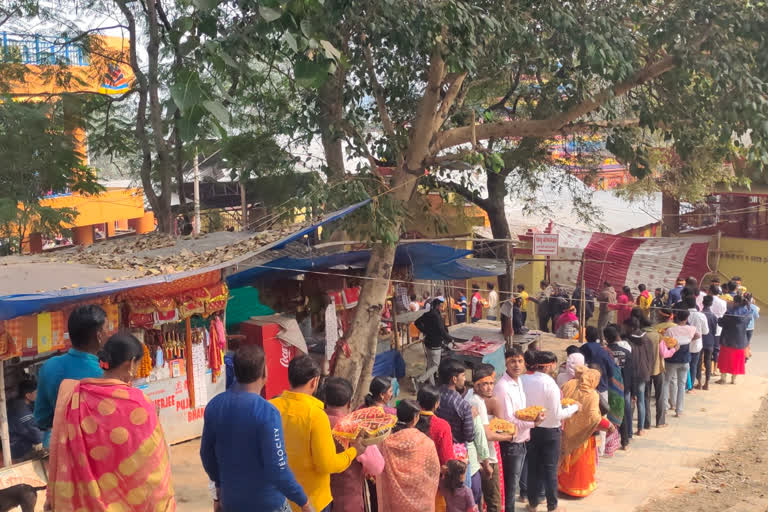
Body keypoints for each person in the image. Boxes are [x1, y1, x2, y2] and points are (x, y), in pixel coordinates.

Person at [48, 334, 175, 511]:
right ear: (130, 363)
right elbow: (151, 464)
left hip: (87, 504)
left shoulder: (75, 395)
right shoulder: (138, 402)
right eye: (138, 365)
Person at [202, 345, 309, 512]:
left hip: (231, 502)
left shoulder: (215, 406)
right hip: (267, 504)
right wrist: (304, 502)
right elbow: (278, 469)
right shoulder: (267, 413)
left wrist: (219, 487)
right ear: (264, 373)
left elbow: (207, 455)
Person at [271, 355, 361, 512]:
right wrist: (354, 452)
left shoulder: (270, 407)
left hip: (278, 497)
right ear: (315, 382)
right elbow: (327, 464)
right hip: (312, 500)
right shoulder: (316, 415)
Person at [34, 305, 107, 448]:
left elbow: (41, 418)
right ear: (99, 336)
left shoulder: (49, 366)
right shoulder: (104, 374)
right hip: (93, 450)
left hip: (57, 447)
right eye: (106, 329)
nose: (107, 334)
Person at [523, 351, 578, 512]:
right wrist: (574, 407)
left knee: (533, 467)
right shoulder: (550, 384)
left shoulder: (524, 380)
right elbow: (558, 414)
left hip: (532, 429)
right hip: (550, 431)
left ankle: (533, 503)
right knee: (550, 469)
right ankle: (552, 505)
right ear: (550, 365)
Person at [494, 347, 544, 512]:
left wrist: (532, 416)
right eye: (512, 361)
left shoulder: (519, 381)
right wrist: (533, 424)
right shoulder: (503, 386)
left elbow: (520, 413)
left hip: (522, 439)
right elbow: (508, 420)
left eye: (520, 361)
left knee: (514, 483)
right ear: (506, 364)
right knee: (510, 486)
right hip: (511, 443)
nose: (516, 365)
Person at [325, 377, 385, 512]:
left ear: (325, 400)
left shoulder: (314, 420)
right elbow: (377, 466)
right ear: (349, 403)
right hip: (346, 501)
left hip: (314, 499)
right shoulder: (354, 429)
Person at [377, 400, 441, 512]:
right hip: (420, 500)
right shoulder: (426, 442)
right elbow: (433, 472)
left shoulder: (386, 442)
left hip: (395, 500)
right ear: (415, 418)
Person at [557, 366, 612, 498]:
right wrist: (609, 425)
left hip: (566, 429)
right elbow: (594, 417)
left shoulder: (568, 385)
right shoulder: (592, 394)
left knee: (566, 457)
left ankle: (562, 486)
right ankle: (578, 489)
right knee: (581, 462)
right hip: (582, 433)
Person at [465, 364, 512, 512]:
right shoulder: (478, 402)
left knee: (479, 500)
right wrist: (510, 437)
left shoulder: (470, 396)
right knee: (493, 501)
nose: (489, 387)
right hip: (485, 458)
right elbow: (486, 435)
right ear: (476, 385)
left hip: (475, 458)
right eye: (485, 384)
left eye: (491, 383)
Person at [644, 309, 677, 429]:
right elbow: (664, 353)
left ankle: (645, 423)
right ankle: (660, 421)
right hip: (658, 368)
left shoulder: (642, 336)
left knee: (645, 396)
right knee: (660, 395)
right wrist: (674, 349)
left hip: (645, 369)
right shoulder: (658, 336)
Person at [664, 310, 700, 417]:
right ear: (686, 318)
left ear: (676, 317)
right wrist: (689, 339)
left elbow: (666, 341)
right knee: (681, 385)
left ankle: (665, 407)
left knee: (666, 382)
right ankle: (679, 410)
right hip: (685, 359)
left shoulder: (670, 330)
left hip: (672, 359)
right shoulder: (691, 329)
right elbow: (698, 335)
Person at [415, 299, 458, 387]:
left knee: (430, 366)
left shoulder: (427, 314)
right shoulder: (436, 316)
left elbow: (417, 322)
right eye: (441, 306)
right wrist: (452, 340)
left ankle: (432, 385)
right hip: (435, 344)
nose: (442, 308)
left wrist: (425, 331)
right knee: (435, 366)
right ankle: (420, 379)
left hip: (428, 343)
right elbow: (442, 331)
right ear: (437, 306)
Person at [624, 316, 654, 437]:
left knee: (630, 401)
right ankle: (640, 428)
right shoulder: (647, 339)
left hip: (632, 374)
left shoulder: (628, 341)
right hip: (644, 373)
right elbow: (651, 357)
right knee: (641, 400)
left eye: (625, 326)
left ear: (631, 327)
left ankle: (629, 430)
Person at [605, 325, 633, 450]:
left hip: (607, 387)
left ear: (606, 338)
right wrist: (632, 390)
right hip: (623, 388)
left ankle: (609, 441)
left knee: (607, 413)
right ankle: (625, 440)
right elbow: (631, 372)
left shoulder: (604, 352)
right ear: (617, 336)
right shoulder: (626, 352)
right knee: (623, 413)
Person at [436, 358, 475, 446]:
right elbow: (470, 436)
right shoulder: (463, 405)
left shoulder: (433, 395)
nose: (465, 379)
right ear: (454, 379)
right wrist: (471, 417)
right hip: (455, 449)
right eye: (463, 375)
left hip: (436, 444)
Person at [416, 384, 456, 465]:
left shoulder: (409, 419)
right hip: (434, 471)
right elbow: (447, 459)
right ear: (437, 404)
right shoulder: (442, 426)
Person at [718, 296, 752, 384]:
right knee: (736, 361)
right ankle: (734, 380)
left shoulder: (729, 312)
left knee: (725, 359)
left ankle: (723, 379)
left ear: (735, 302)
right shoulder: (747, 312)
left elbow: (721, 323)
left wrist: (718, 319)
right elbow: (748, 324)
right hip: (740, 340)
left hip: (727, 339)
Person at [8, 378, 43, 462]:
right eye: (37, 393)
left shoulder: (25, 403)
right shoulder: (20, 408)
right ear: (27, 395)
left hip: (23, 441)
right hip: (19, 448)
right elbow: (34, 433)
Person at [684, 295, 709, 391]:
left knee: (684, 365)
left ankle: (685, 384)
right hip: (696, 345)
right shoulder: (701, 315)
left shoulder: (683, 314)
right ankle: (690, 386)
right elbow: (706, 331)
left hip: (684, 345)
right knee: (693, 365)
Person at [700, 296, 719, 390]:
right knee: (708, 361)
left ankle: (699, 382)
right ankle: (707, 383)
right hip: (710, 341)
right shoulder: (713, 316)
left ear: (703, 303)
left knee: (698, 361)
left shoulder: (700, 314)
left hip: (700, 340)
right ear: (711, 304)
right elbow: (715, 331)